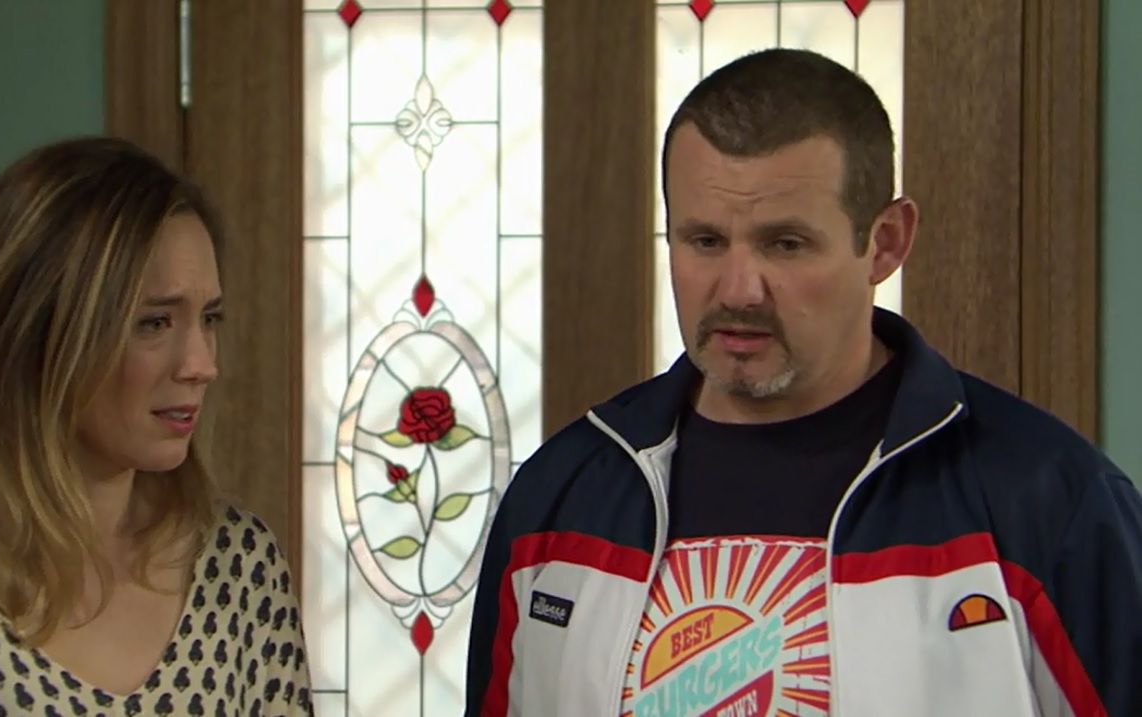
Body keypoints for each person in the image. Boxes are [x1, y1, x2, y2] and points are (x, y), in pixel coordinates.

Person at [465, 48, 1142, 717]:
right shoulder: (560, 499)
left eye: (784, 244)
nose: (739, 290)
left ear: (885, 242)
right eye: (705, 241)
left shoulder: (1048, 504)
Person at [0, 137, 315, 716]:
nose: (202, 365)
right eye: (154, 323)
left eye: (209, 319)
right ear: (33, 335)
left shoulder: (240, 565)